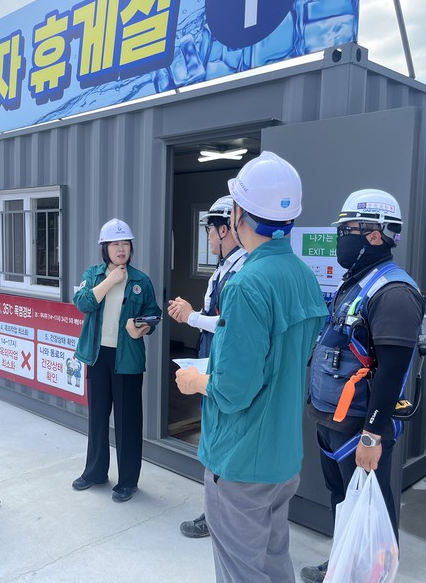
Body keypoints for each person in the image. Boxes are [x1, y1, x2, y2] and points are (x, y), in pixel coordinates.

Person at [176, 152, 327, 582]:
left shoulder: (247, 285)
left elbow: (233, 389)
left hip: (241, 461)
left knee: (241, 571)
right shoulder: (303, 276)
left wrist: (196, 380)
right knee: (273, 562)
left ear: (239, 214)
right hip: (282, 457)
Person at [300, 189, 426, 583]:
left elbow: (392, 372)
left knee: (371, 506)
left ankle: (373, 574)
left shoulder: (394, 293)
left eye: (347, 231)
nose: (341, 239)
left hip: (360, 428)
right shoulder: (358, 282)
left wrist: (373, 434)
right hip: (334, 420)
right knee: (343, 497)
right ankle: (343, 565)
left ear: (375, 234)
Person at [167, 194, 247, 539]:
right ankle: (215, 512)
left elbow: (232, 324)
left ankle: (222, 517)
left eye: (210, 231)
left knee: (224, 440)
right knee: (213, 437)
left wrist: (192, 317)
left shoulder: (243, 270)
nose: (209, 238)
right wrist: (191, 314)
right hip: (211, 359)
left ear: (224, 229)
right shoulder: (224, 268)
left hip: (225, 367)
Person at [72, 218, 162, 503]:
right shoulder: (94, 275)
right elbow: (82, 303)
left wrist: (142, 328)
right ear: (105, 248)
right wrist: (111, 281)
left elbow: (154, 314)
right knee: (98, 417)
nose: (121, 249)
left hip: (127, 358)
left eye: (125, 244)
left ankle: (127, 481)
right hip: (98, 356)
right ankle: (95, 472)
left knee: (128, 421)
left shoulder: (141, 281)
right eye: (115, 244)